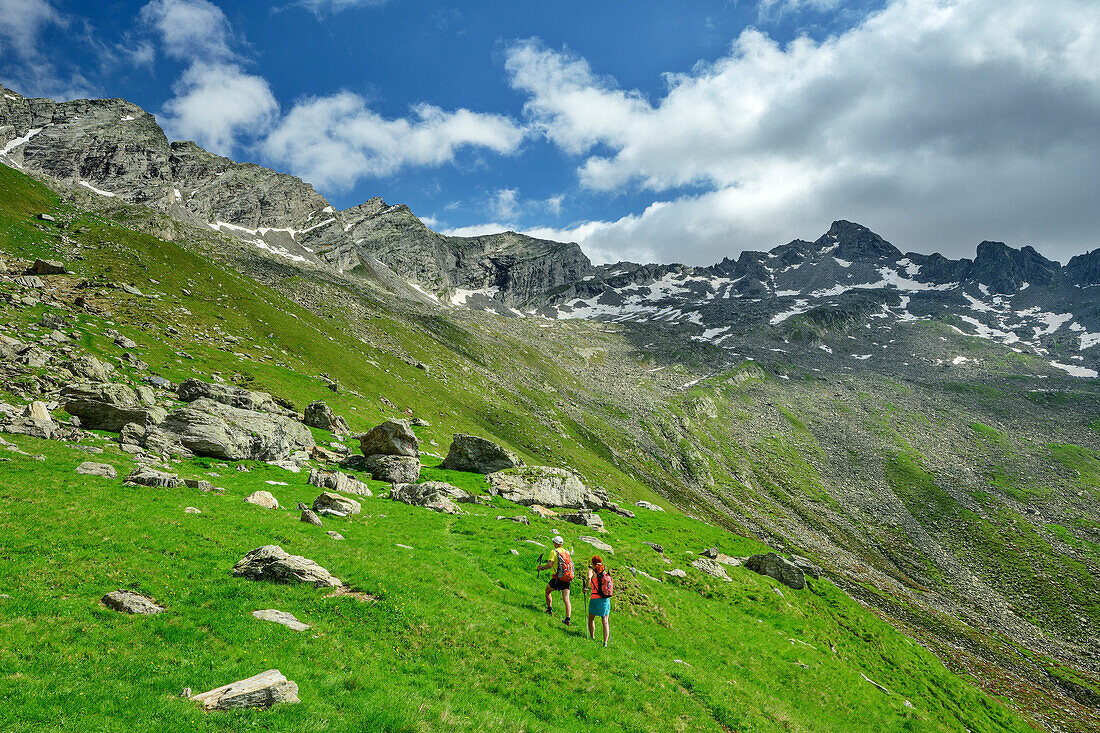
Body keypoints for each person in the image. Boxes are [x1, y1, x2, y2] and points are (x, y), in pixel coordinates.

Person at [536, 536, 573, 625]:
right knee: (566, 599)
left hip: (557, 578)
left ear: (556, 543)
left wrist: (541, 568)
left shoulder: (554, 552)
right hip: (567, 578)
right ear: (562, 544)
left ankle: (549, 610)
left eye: (553, 542)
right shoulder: (566, 552)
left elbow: (550, 565)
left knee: (547, 590)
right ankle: (568, 619)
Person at [587, 555, 612, 647]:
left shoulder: (592, 571)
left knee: (591, 618)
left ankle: (592, 637)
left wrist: (586, 588)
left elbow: (589, 578)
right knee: (605, 620)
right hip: (606, 598)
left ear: (592, 563)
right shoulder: (604, 571)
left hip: (595, 597)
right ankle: (605, 642)